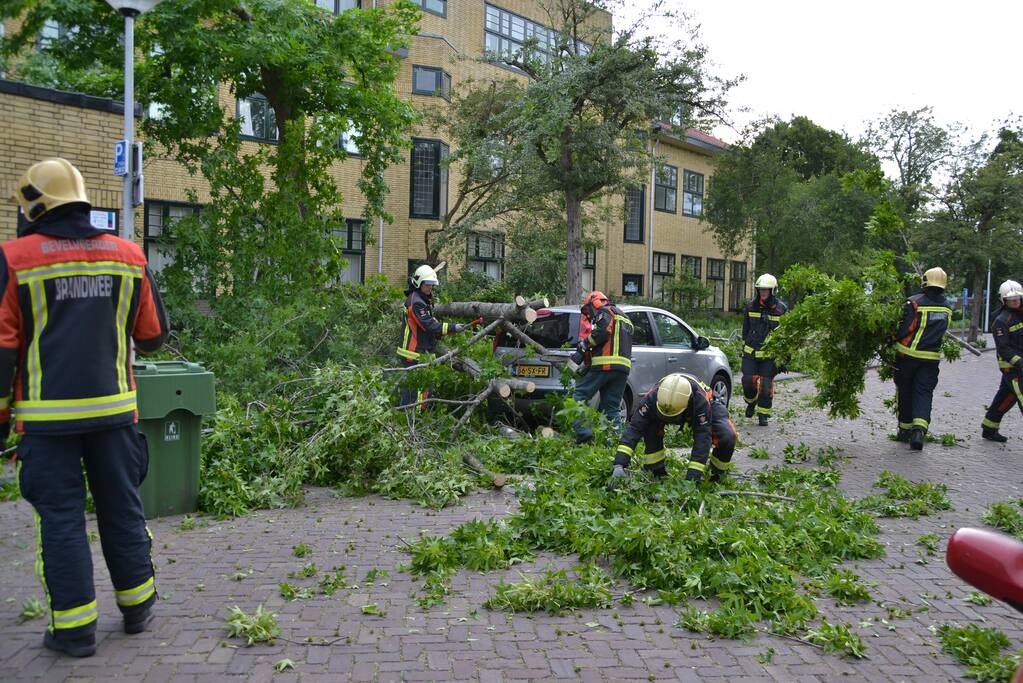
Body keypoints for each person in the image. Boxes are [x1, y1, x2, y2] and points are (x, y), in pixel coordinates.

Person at [3, 158, 169, 657]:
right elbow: (154, 336)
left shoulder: (14, 259)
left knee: (61, 519)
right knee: (122, 508)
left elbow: (3, 350)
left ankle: (74, 631)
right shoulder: (127, 255)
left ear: (35, 204)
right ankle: (138, 607)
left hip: (48, 422)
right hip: (115, 413)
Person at [608, 372, 737, 488]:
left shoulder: (699, 402)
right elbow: (634, 430)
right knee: (649, 426)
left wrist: (692, 480)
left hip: (704, 408)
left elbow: (702, 441)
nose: (668, 419)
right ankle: (656, 471)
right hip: (666, 407)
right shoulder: (651, 398)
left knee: (728, 436)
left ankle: (717, 475)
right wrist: (619, 464)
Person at [396, 264, 479, 407]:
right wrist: (452, 327)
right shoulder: (416, 302)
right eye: (427, 285)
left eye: (431, 285)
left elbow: (428, 325)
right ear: (419, 283)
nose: (430, 288)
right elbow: (429, 325)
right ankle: (410, 417)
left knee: (425, 385)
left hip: (420, 350)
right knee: (415, 388)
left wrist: (447, 331)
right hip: (412, 351)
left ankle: (416, 415)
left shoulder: (420, 299)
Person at [893, 267, 952, 450]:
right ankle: (919, 430)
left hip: (907, 356)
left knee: (905, 391)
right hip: (931, 359)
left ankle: (904, 431)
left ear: (925, 281)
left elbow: (905, 328)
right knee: (924, 393)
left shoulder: (913, 302)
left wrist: (891, 337)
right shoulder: (947, 307)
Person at [570, 291, 634, 444]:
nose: (590, 314)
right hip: (622, 369)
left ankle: (584, 434)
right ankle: (615, 444)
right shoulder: (626, 318)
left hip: (605, 365)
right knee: (611, 407)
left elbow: (603, 332)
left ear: (596, 303)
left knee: (578, 397)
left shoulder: (605, 312)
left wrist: (584, 344)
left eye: (589, 309)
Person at [741, 273, 787, 426]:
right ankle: (751, 403)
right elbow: (745, 330)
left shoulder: (781, 309)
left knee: (766, 386)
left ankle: (763, 415)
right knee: (748, 381)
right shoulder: (750, 307)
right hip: (751, 353)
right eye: (760, 289)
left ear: (773, 290)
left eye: (766, 289)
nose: (763, 292)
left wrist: (785, 358)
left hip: (769, 357)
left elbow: (787, 335)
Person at [981, 280, 1023, 442]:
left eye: (1017, 297)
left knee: (1007, 397)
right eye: (1011, 299)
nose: (1015, 300)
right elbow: (1003, 348)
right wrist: (1020, 363)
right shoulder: (1001, 320)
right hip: (1013, 370)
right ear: (1004, 300)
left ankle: (989, 428)